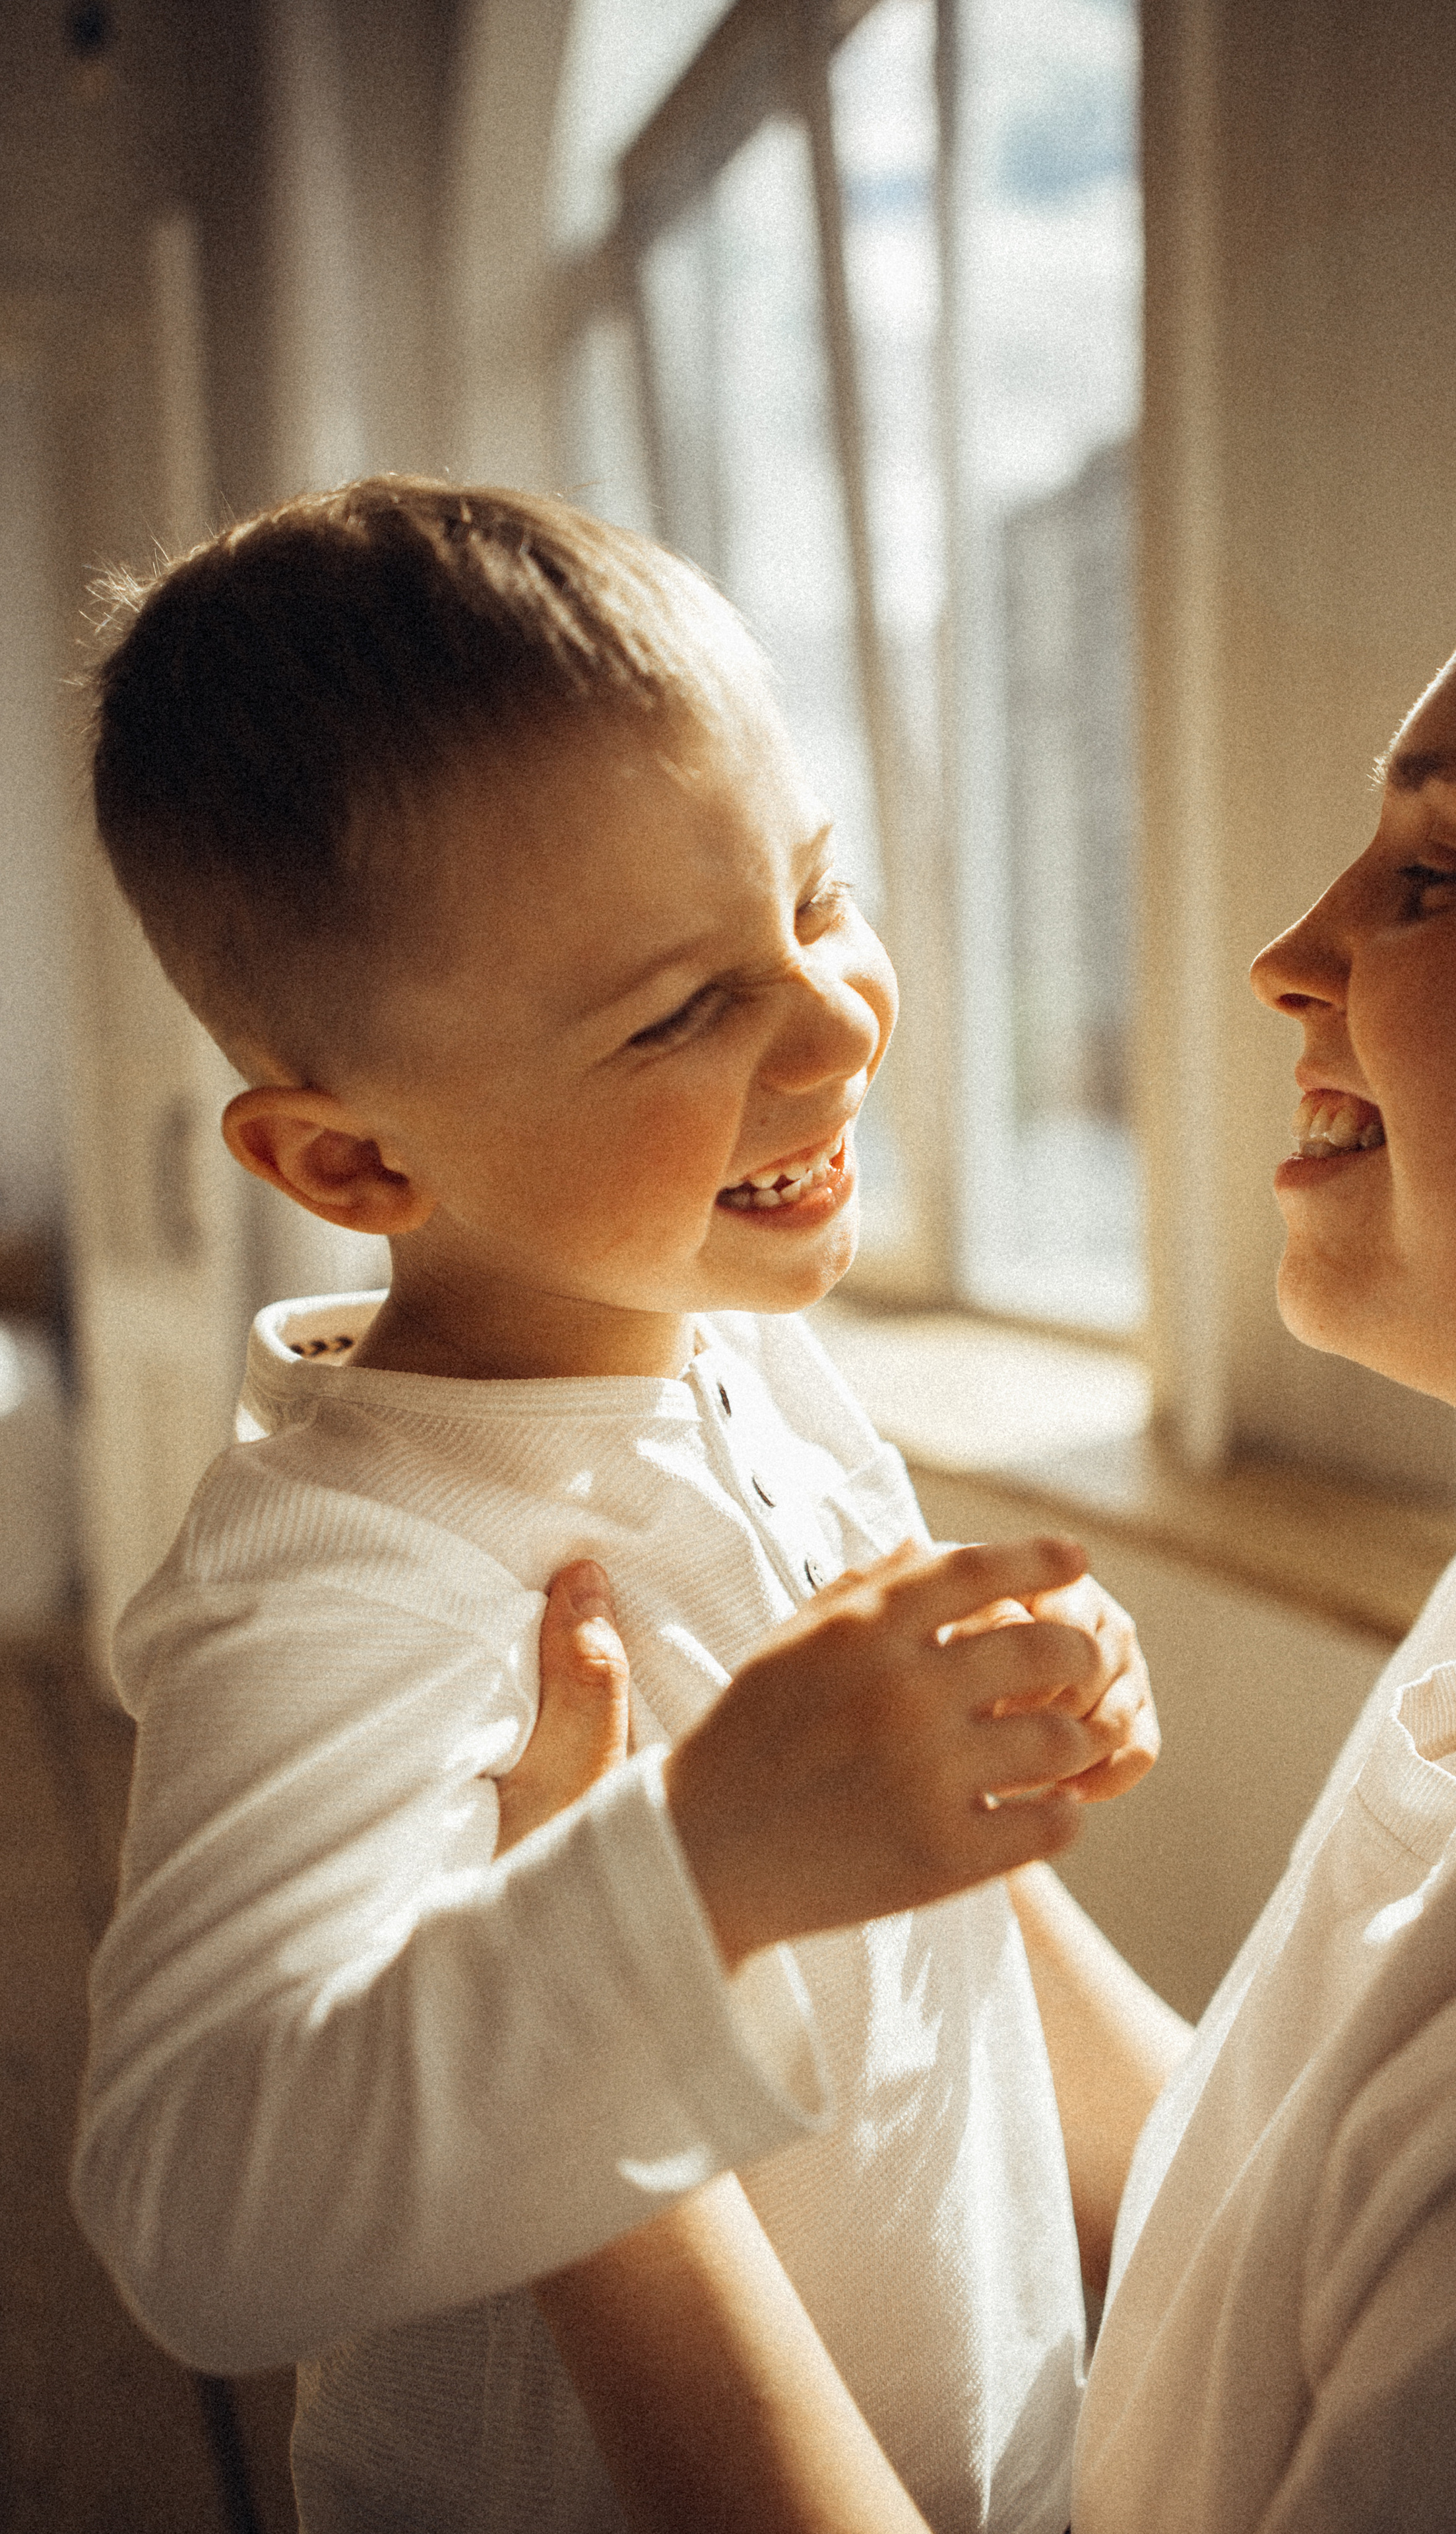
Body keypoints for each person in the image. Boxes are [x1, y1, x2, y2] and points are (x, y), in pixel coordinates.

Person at [507, 448, 1456, 2533]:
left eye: (1435, 874)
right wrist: (861, 1650)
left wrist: (574, 2099)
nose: (1288, 953)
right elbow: (1251, 2240)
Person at [69, 480, 1168, 2534]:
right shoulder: (347, 1582)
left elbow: (967, 1976)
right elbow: (194, 2205)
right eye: (681, 1008)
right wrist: (700, 1862)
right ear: (349, 1166)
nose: (839, 1020)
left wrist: (988, 1736)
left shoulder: (758, 1367)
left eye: (816, 898)